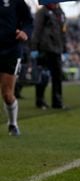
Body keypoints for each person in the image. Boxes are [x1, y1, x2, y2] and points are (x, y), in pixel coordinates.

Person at [0, 0, 33, 136]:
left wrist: (25, 31)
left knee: (7, 94)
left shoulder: (17, 2)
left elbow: (28, 21)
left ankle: (13, 124)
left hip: (11, 50)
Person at [30, 3, 67, 109]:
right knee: (43, 76)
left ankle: (57, 102)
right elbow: (36, 30)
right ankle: (40, 100)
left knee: (57, 76)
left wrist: (64, 49)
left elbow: (63, 31)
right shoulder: (42, 12)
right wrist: (34, 48)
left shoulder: (60, 12)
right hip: (44, 49)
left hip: (57, 50)